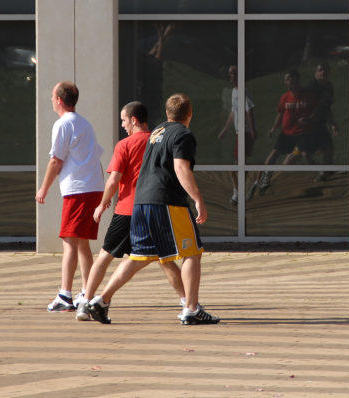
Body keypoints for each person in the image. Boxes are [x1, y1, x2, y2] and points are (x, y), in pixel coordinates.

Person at [84, 93, 219, 325]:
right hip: (167, 202)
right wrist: (198, 198)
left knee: (139, 257)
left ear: (167, 113)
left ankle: (100, 301)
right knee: (192, 253)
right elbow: (180, 168)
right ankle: (192, 309)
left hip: (141, 203)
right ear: (190, 113)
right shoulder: (183, 134)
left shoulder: (157, 132)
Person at [75, 101, 186, 321]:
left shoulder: (124, 145)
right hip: (154, 208)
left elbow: (114, 179)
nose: (123, 125)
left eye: (124, 120)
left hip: (127, 210)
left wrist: (102, 204)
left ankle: (86, 303)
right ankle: (188, 302)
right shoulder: (158, 142)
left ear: (133, 120)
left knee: (106, 255)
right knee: (165, 258)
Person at [36, 81, 105, 312]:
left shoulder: (63, 124)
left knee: (69, 243)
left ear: (59, 100)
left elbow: (56, 159)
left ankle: (65, 295)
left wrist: (43, 188)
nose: (51, 100)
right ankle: (87, 292)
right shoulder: (84, 124)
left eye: (52, 96)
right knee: (82, 243)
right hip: (92, 188)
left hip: (79, 190)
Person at [249, 69, 317, 199]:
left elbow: (315, 112)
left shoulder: (307, 96)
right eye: (285, 79)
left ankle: (320, 172)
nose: (285, 82)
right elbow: (280, 114)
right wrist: (274, 128)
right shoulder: (285, 97)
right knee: (273, 155)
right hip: (286, 134)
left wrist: (308, 119)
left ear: (294, 79)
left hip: (302, 134)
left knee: (302, 155)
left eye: (287, 79)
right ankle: (265, 178)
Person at [217, 64, 256, 204]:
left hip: (244, 132)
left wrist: (251, 130)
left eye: (234, 73)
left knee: (236, 165)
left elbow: (249, 110)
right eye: (230, 73)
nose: (231, 76)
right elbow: (233, 112)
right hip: (239, 132)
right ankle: (239, 191)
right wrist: (225, 129)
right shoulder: (234, 92)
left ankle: (237, 192)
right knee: (239, 164)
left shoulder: (243, 92)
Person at [307, 62, 339, 178]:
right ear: (315, 73)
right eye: (320, 70)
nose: (323, 72)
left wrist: (332, 123)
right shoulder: (312, 87)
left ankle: (325, 171)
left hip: (320, 121)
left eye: (325, 70)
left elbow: (326, 107)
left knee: (328, 147)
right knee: (303, 151)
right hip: (308, 122)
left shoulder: (329, 87)